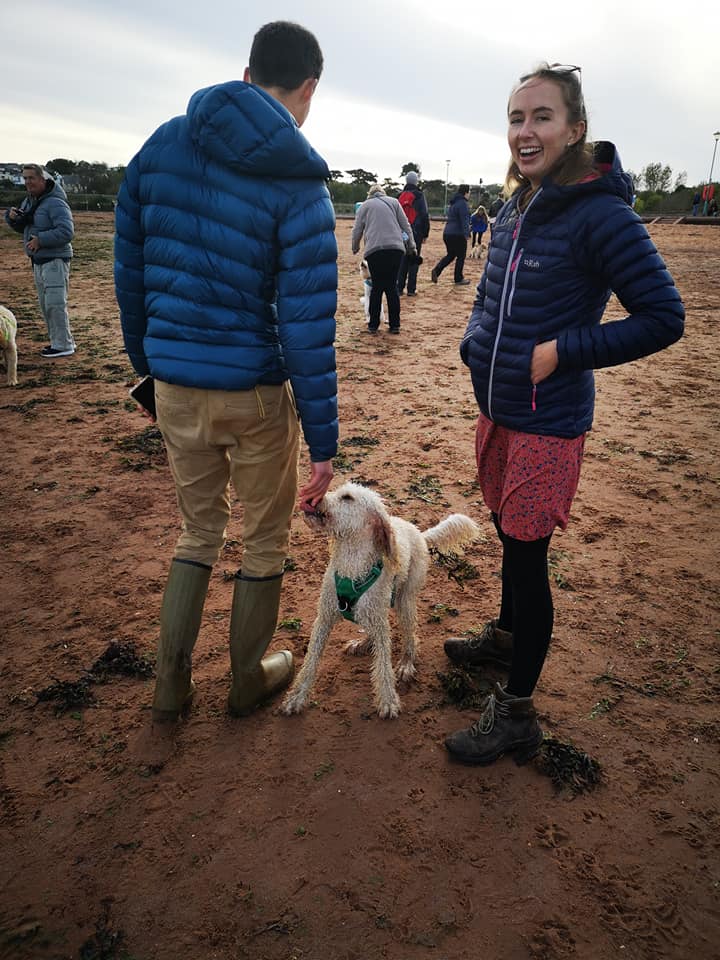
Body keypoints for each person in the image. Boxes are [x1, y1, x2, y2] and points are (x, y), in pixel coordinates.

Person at [443, 62, 685, 765]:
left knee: (527, 555)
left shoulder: (601, 213)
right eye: (516, 118)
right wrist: (473, 339)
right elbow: (491, 293)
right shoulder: (518, 205)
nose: (525, 131)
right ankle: (507, 637)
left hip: (549, 421)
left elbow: (664, 317)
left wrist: (565, 350)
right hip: (498, 408)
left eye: (541, 117)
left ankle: (516, 712)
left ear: (576, 129)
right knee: (506, 535)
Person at [114, 20, 339, 723]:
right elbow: (306, 329)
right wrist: (325, 444)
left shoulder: (161, 144)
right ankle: (247, 678)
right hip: (255, 394)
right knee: (264, 538)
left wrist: (151, 371)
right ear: (308, 88)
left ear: (246, 75)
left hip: (176, 383)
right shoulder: (300, 180)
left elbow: (130, 274)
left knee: (196, 532)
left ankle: (170, 687)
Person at [4, 165, 76, 358]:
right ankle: (59, 342)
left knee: (55, 304)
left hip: (55, 260)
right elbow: (25, 227)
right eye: (25, 178)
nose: (27, 182)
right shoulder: (31, 202)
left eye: (31, 178)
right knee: (46, 305)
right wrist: (11, 219)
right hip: (38, 260)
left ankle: (63, 345)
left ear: (43, 180)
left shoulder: (55, 203)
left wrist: (41, 240)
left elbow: (67, 232)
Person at [351, 183, 416, 333]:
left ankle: (373, 325)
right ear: (383, 193)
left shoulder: (365, 206)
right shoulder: (394, 202)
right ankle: (395, 325)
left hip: (374, 251)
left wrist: (355, 247)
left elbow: (357, 229)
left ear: (369, 194)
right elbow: (405, 226)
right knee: (392, 287)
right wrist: (412, 246)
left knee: (377, 287)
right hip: (395, 249)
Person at [396, 170, 430, 297]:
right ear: (416, 181)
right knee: (414, 259)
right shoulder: (420, 196)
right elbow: (424, 214)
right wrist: (425, 233)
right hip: (416, 232)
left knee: (402, 259)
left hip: (400, 232)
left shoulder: (399, 195)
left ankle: (399, 288)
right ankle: (411, 289)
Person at [430, 184, 471, 285]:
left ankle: (437, 270)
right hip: (458, 234)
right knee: (461, 256)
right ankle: (458, 278)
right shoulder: (463, 204)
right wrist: (467, 233)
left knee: (451, 255)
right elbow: (464, 220)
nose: (469, 194)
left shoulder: (454, 203)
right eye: (469, 192)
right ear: (466, 192)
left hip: (447, 233)